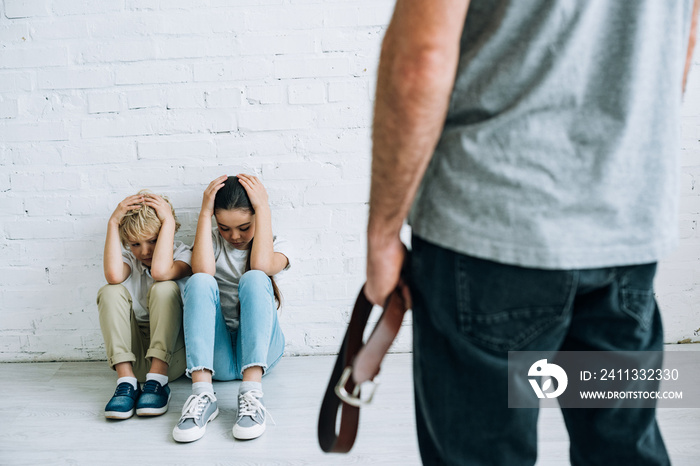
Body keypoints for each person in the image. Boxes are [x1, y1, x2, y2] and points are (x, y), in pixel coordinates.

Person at [365, 1, 699, 465]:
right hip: (623, 229)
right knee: (621, 449)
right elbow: (682, 35)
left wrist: (382, 235)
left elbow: (420, 60)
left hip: (489, 235)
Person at [172, 174, 290, 443]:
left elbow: (261, 266)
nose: (234, 236)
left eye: (244, 227)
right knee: (200, 279)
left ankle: (251, 393)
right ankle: (202, 393)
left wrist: (263, 208)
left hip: (262, 355)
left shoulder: (277, 245)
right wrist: (204, 212)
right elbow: (201, 271)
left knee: (255, 277)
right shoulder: (211, 243)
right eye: (224, 228)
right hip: (218, 359)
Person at [97, 190, 192, 420]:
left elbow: (161, 272)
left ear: (169, 232)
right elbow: (112, 275)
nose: (145, 251)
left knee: (164, 286)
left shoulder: (184, 255)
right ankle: (126, 382)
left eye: (153, 241)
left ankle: (158, 382)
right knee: (110, 290)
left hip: (172, 359)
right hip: (135, 357)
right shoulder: (131, 260)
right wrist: (113, 222)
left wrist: (167, 218)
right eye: (135, 244)